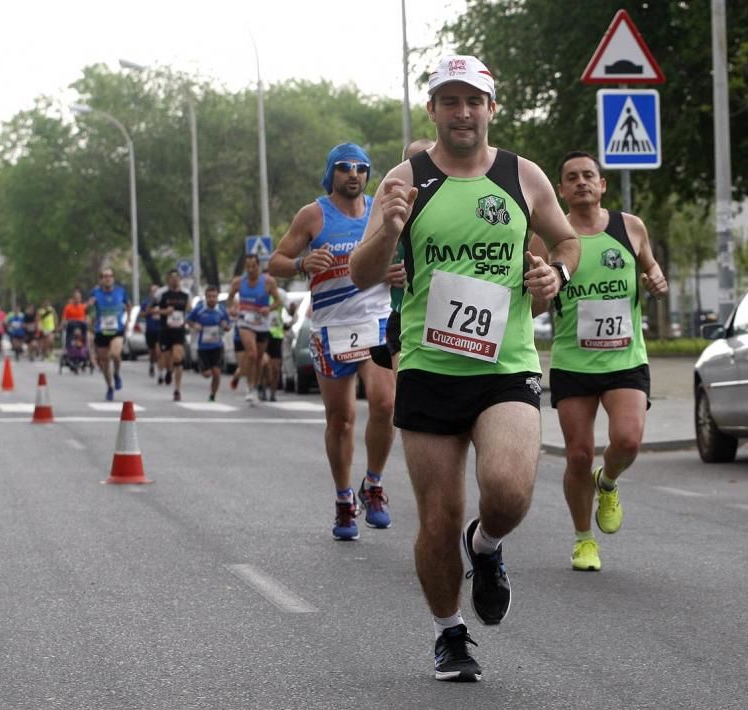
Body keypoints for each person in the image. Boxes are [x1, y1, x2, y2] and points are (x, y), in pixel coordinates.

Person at [348, 55, 580, 682]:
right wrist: (387, 228)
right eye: (449, 101)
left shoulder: (523, 176)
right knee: (437, 516)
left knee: (508, 490)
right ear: (434, 110)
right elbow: (363, 274)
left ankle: (488, 545)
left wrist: (553, 274)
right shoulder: (405, 177)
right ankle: (449, 633)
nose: (462, 112)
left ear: (490, 108)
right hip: (428, 366)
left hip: (506, 364)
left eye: (473, 100)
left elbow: (566, 242)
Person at [535, 150, 667, 571]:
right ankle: (583, 539)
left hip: (625, 357)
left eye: (588, 175)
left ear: (602, 184)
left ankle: (606, 483)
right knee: (577, 454)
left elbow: (651, 270)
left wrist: (656, 280)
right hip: (573, 360)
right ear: (561, 189)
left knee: (627, 440)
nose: (580, 182)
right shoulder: (549, 236)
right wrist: (541, 293)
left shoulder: (631, 227)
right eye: (571, 177)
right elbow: (533, 300)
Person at [269, 142, 399, 541]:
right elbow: (275, 262)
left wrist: (401, 272)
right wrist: (301, 263)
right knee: (340, 419)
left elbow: (409, 252)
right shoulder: (314, 215)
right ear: (332, 173)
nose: (354, 174)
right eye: (345, 168)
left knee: (385, 403)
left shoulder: (381, 210)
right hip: (331, 327)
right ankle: (344, 499)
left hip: (376, 321)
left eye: (361, 168)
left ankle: (373, 486)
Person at [369, 138, 436, 372]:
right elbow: (362, 270)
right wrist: (383, 273)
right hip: (404, 317)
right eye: (413, 163)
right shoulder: (390, 212)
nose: (421, 171)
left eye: (429, 161)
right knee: (407, 398)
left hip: (448, 323)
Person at [227, 253, 284, 405]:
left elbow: (278, 301)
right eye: (248, 267)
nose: (251, 269)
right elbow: (230, 297)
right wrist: (232, 308)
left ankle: (255, 385)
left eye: (253, 266)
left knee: (259, 358)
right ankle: (250, 388)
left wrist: (269, 308)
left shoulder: (268, 282)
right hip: (245, 321)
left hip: (262, 323)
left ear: (259, 266)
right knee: (251, 353)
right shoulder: (239, 282)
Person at [89, 268, 132, 401]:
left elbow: (128, 305)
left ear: (113, 278)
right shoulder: (95, 292)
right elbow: (90, 310)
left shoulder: (120, 291)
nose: (108, 278)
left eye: (110, 276)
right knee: (105, 362)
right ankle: (109, 387)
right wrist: (90, 307)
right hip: (101, 331)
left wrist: (128, 319)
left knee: (115, 354)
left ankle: (117, 374)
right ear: (101, 279)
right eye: (105, 276)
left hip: (116, 330)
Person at [187, 285, 231, 401]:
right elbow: (189, 320)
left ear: (217, 297)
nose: (212, 299)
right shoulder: (199, 309)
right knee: (207, 374)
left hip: (217, 345)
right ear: (205, 298)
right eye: (209, 296)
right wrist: (194, 325)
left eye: (214, 296)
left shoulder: (221, 310)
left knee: (216, 372)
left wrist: (225, 326)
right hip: (203, 347)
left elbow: (228, 325)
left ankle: (213, 395)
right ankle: (204, 369)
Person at [156, 270, 191, 402]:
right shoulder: (161, 294)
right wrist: (165, 311)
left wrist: (190, 319)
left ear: (180, 279)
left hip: (179, 330)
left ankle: (177, 390)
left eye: (177, 278)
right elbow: (150, 310)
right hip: (165, 330)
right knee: (165, 360)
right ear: (168, 279)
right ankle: (168, 371)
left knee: (178, 357)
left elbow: (189, 310)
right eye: (172, 278)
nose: (175, 280)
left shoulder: (186, 294)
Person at [141, 283, 162, 381]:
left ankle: (161, 373)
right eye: (153, 291)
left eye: (157, 291)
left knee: (159, 351)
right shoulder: (146, 302)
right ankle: (151, 364)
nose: (155, 293)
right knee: (152, 352)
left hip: (161, 329)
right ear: (151, 293)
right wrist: (148, 312)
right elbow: (141, 314)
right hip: (150, 329)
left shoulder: (163, 301)